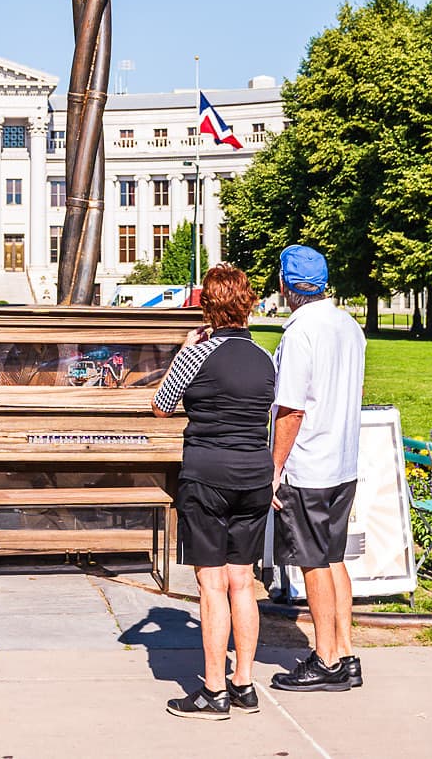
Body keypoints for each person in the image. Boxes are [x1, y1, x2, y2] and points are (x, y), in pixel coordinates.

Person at [152, 264, 277, 721]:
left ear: (209, 308)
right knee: (242, 580)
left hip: (208, 476)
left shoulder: (198, 354)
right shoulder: (266, 358)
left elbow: (161, 407)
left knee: (211, 583)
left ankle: (213, 689)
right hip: (255, 476)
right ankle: (244, 682)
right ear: (247, 306)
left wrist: (183, 351)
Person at [269, 244, 366, 693]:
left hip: (309, 463)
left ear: (287, 286)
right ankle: (346, 653)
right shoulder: (349, 325)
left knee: (312, 564)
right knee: (333, 557)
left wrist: (274, 468)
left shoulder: (299, 333)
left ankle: (325, 658)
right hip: (343, 460)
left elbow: (290, 410)